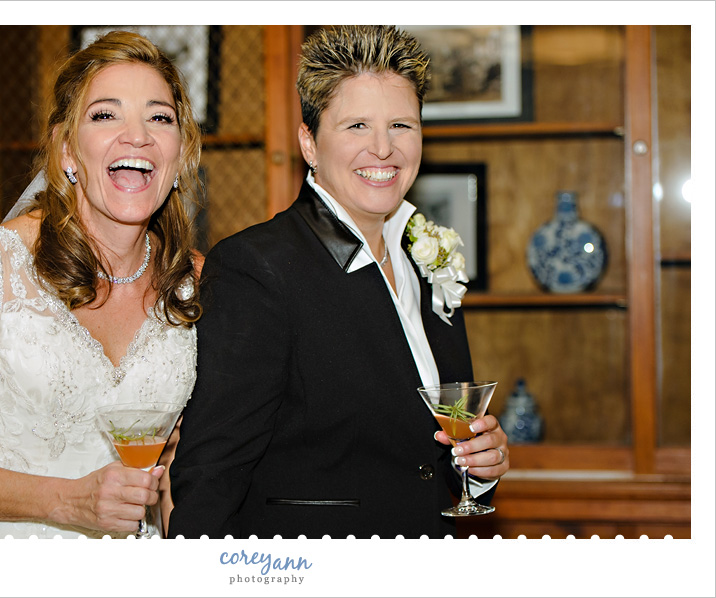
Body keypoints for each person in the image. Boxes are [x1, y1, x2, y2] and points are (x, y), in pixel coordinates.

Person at [168, 25, 509, 539]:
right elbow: (212, 474)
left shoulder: (426, 258)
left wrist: (480, 469)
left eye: (401, 125)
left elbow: (429, 449)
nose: (383, 148)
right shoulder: (256, 268)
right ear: (309, 142)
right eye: (355, 126)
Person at [0, 30, 203, 538]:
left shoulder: (194, 284)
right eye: (105, 115)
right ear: (65, 152)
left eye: (159, 117)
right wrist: (67, 502)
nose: (138, 136)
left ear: (179, 152)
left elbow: (184, 471)